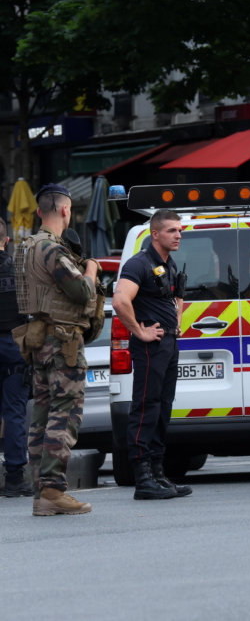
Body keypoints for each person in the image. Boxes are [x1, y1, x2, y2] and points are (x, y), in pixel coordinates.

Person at [13, 184, 100, 516]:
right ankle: (53, 489)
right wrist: (91, 269)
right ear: (66, 211)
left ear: (38, 212)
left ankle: (41, 493)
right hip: (62, 341)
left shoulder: (27, 247)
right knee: (65, 413)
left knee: (43, 415)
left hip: (39, 338)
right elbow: (81, 292)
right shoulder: (52, 249)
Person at [112, 209, 192, 500]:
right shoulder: (140, 264)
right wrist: (139, 331)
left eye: (179, 230)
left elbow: (174, 297)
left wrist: (177, 322)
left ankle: (157, 472)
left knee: (162, 408)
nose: (178, 235)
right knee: (146, 408)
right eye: (172, 230)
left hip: (168, 345)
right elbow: (120, 300)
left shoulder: (166, 265)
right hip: (150, 346)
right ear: (154, 233)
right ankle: (143, 476)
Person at [0, 219, 33, 498]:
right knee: (14, 414)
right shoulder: (20, 272)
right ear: (7, 241)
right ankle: (14, 478)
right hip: (14, 346)